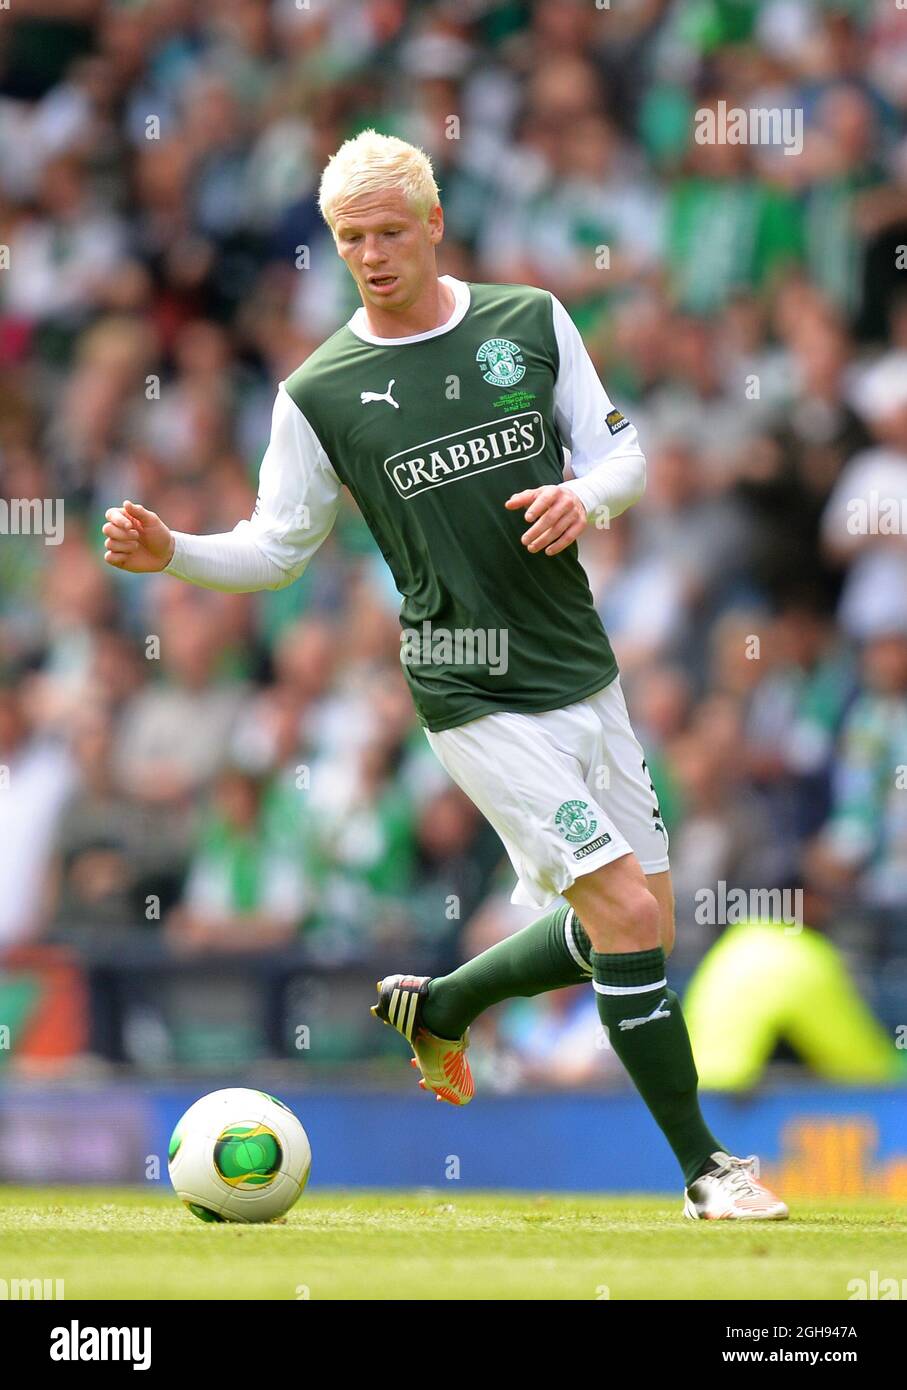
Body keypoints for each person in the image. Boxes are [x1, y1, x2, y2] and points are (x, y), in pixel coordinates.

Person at [102, 130, 786, 1220]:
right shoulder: (318, 391)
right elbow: (280, 547)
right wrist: (173, 552)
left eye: (386, 231)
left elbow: (623, 453)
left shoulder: (530, 321)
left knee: (639, 923)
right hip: (467, 686)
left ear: (431, 223)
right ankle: (708, 1171)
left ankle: (446, 1005)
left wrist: (587, 498)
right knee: (615, 904)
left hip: (580, 666)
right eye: (348, 238)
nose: (370, 254)